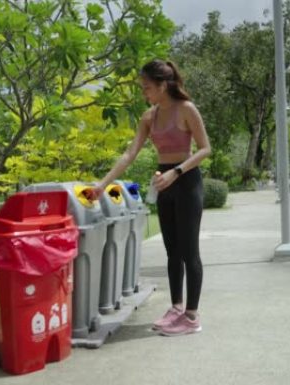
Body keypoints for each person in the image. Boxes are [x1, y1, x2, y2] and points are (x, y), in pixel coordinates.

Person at [90, 59, 211, 337]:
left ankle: (191, 317)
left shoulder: (186, 109)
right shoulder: (149, 116)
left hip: (187, 181)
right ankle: (177, 308)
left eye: (146, 87)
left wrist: (177, 172)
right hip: (163, 182)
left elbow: (206, 149)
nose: (144, 92)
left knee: (190, 251)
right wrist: (102, 185)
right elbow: (129, 154)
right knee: (172, 252)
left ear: (163, 85)